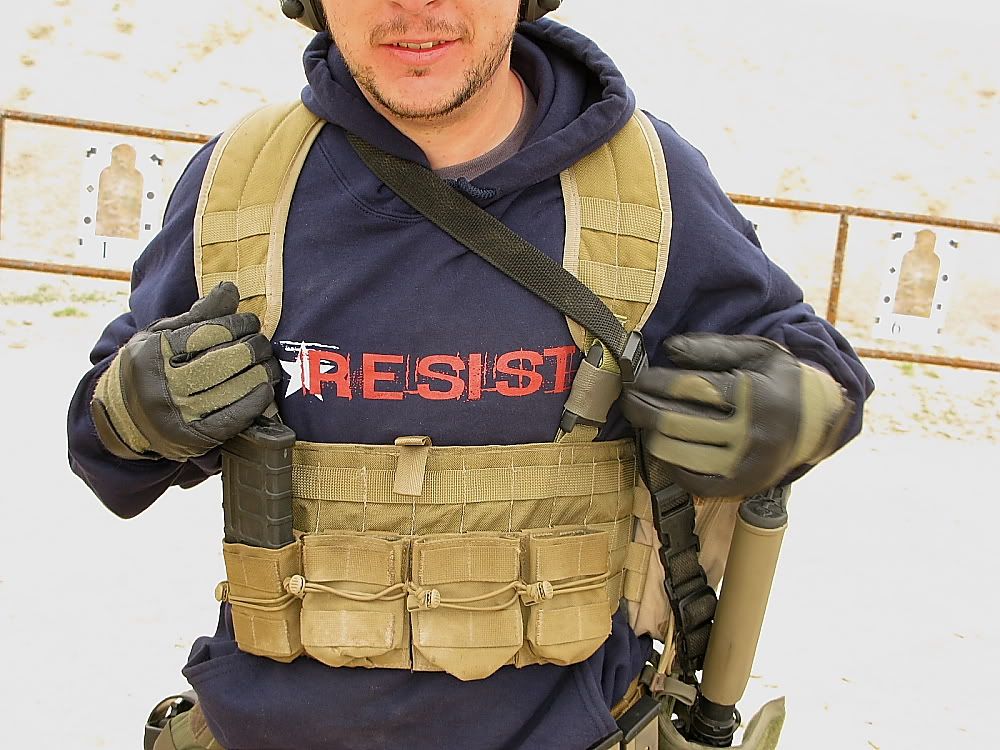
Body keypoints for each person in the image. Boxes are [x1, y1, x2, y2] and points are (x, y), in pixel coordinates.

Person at [67, 1, 875, 748]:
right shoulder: (244, 184)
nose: (414, 7)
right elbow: (105, 452)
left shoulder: (646, 184)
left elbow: (811, 361)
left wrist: (792, 410)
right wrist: (137, 409)